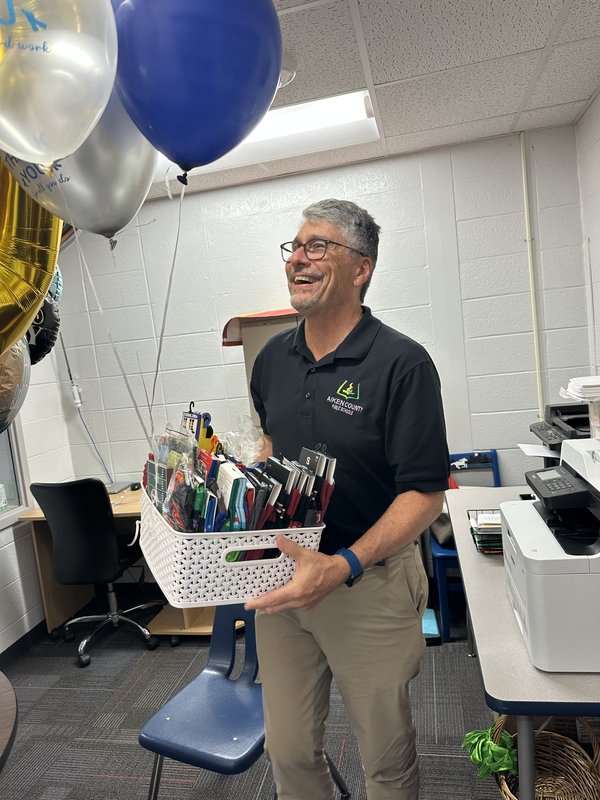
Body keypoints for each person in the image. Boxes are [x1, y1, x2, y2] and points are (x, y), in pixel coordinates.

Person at [246, 198, 449, 800]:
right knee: (287, 750)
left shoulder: (402, 364)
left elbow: (425, 495)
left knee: (384, 758)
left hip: (370, 585)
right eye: (294, 247)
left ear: (360, 268)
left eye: (317, 246)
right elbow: (271, 440)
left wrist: (343, 565)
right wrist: (254, 469)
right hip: (286, 584)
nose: (298, 259)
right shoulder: (271, 361)